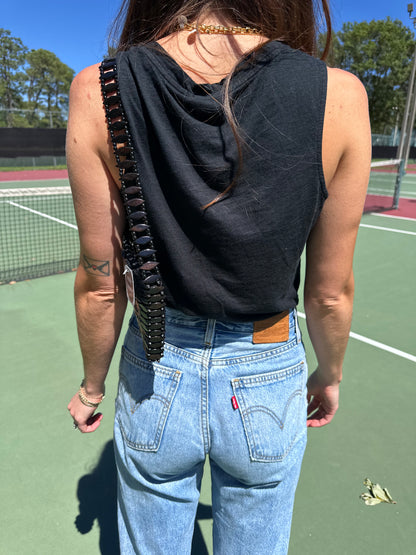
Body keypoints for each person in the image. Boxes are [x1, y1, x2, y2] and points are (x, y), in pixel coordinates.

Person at [67, 1, 371, 553]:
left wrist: (92, 387)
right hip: (269, 370)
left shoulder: (99, 88)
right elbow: (330, 292)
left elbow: (100, 280)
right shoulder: (340, 95)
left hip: (156, 370)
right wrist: (330, 374)